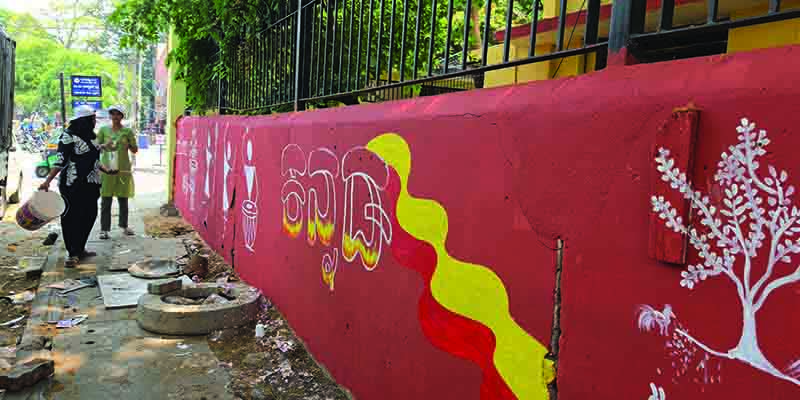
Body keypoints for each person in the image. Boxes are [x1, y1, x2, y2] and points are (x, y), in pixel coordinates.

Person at [38, 105, 118, 267]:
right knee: (71, 218)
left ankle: (80, 248)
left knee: (89, 215)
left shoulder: (92, 136)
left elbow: (93, 160)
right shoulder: (67, 136)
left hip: (91, 184)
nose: (95, 122)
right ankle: (72, 253)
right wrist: (47, 181)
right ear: (84, 120)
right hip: (72, 185)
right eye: (92, 119)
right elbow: (60, 161)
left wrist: (107, 170)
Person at [97, 105, 138, 239]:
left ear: (122, 116)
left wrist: (128, 145)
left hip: (123, 169)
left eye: (118, 114)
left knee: (123, 199)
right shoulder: (103, 130)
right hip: (107, 169)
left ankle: (124, 226)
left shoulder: (127, 131)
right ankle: (104, 229)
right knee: (106, 199)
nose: (115, 116)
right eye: (113, 114)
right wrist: (104, 145)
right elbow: (96, 147)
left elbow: (135, 150)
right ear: (110, 115)